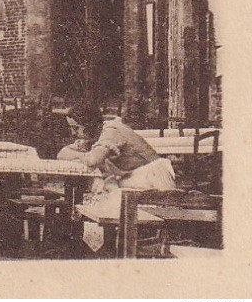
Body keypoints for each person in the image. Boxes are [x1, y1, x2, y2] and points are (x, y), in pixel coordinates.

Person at [59, 102, 175, 249]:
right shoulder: (99, 134)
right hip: (135, 179)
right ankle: (108, 247)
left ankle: (111, 248)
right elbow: (62, 154)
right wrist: (85, 153)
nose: (73, 133)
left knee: (101, 200)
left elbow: (93, 160)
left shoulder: (111, 131)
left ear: (89, 123)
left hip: (152, 180)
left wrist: (83, 154)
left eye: (76, 128)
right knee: (102, 195)